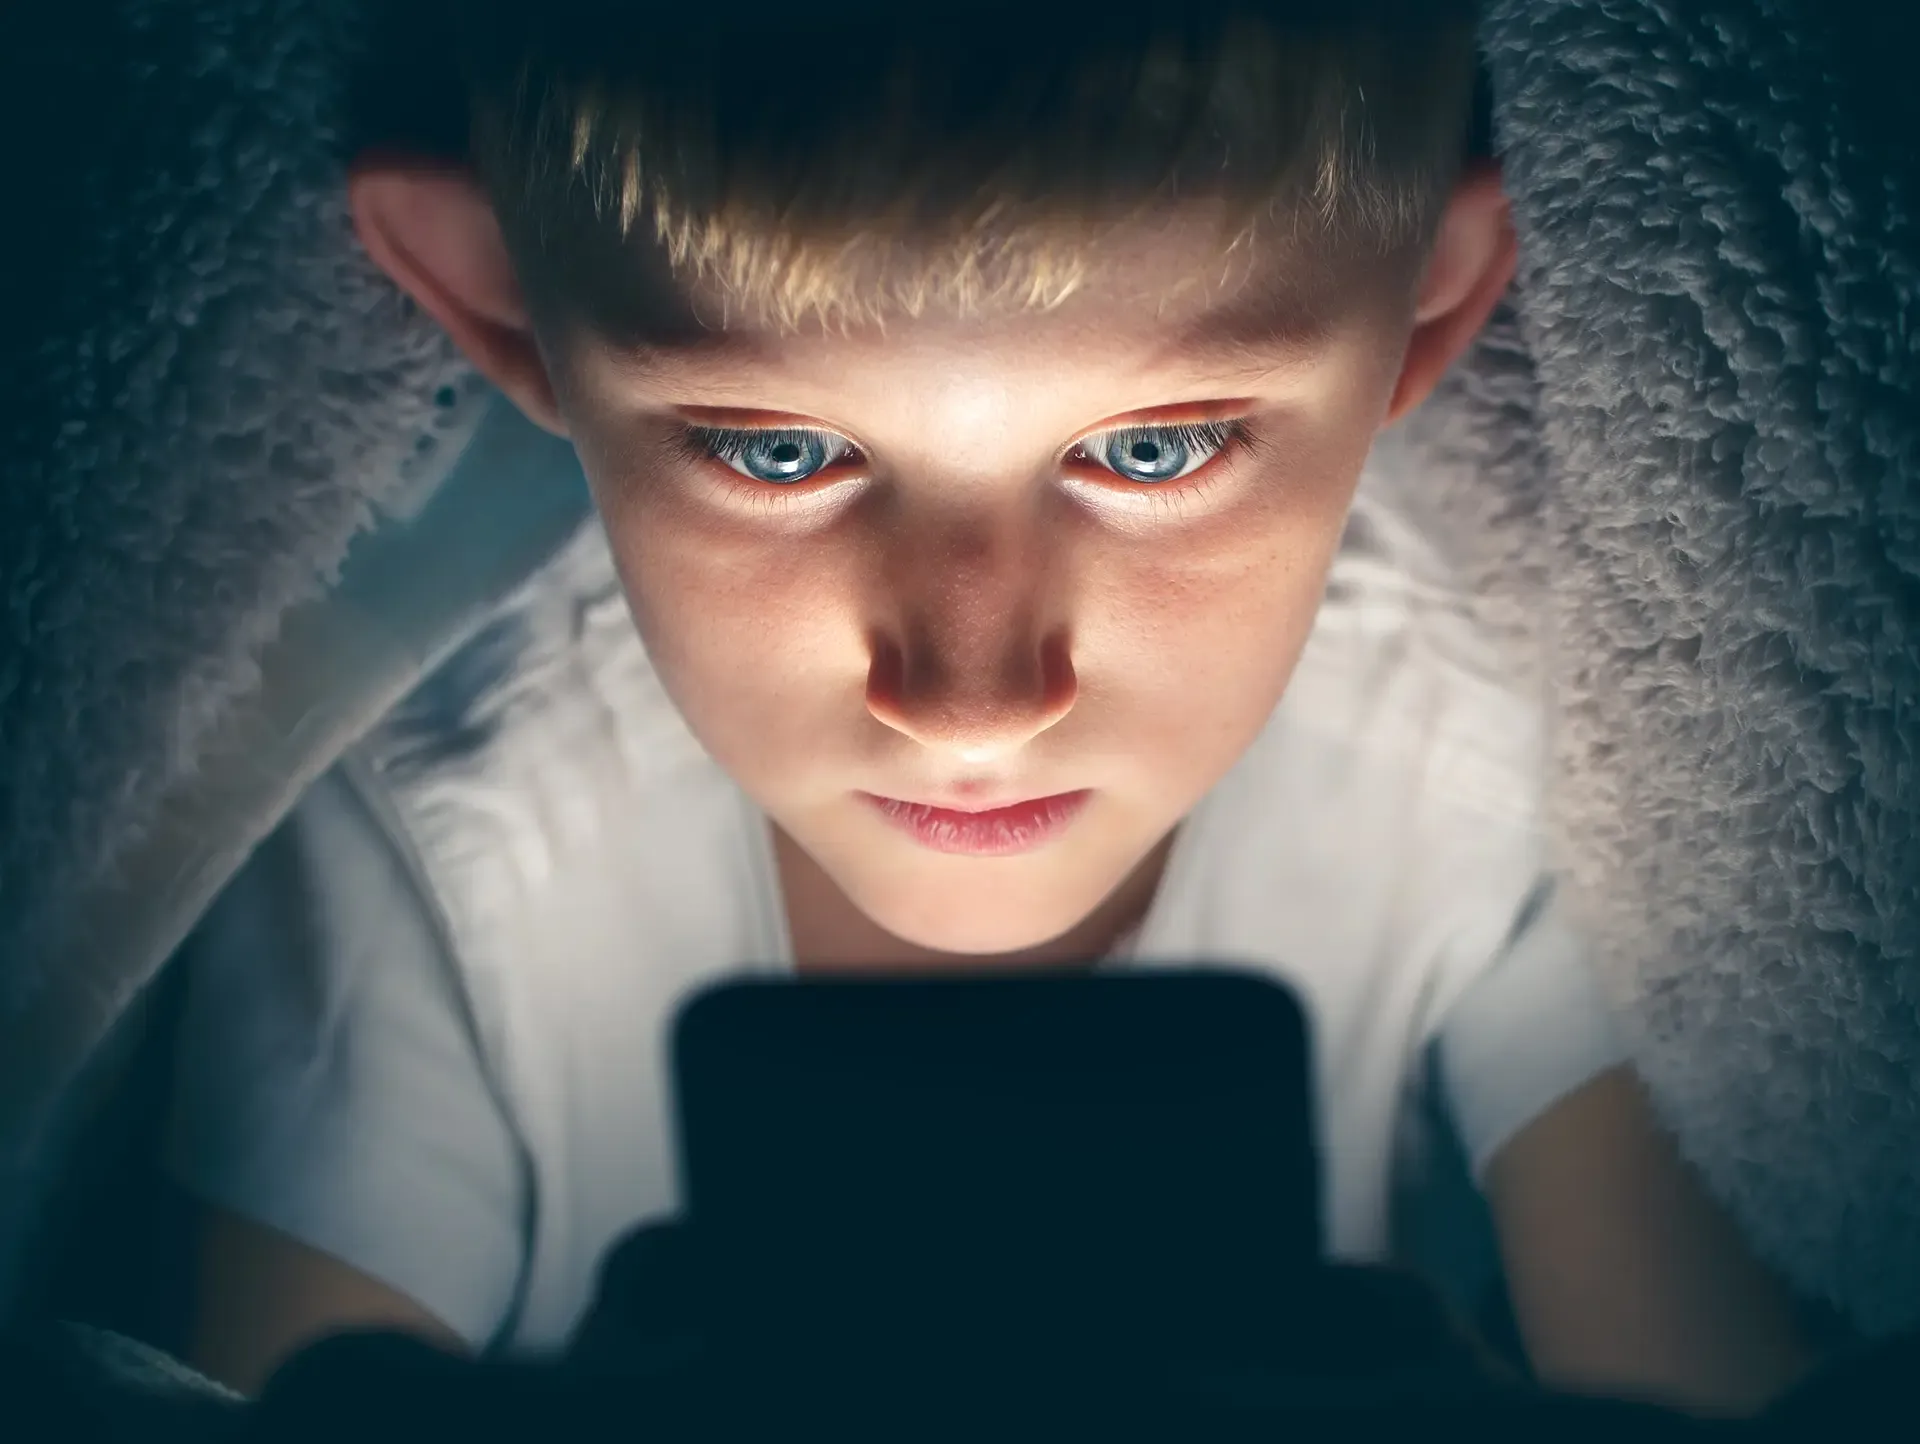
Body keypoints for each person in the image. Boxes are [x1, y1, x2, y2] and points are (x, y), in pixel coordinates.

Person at [161, 0, 1817, 1415]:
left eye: (1154, 450)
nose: (968, 697)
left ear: (1424, 309)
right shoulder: (433, 848)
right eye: (779, 452)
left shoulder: (1517, 762)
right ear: (509, 304)